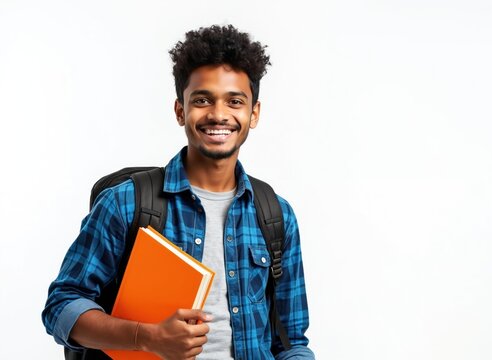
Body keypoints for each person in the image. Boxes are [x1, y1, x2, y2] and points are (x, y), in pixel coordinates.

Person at [42, 25, 314, 360]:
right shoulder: (125, 203)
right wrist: (147, 337)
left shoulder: (275, 214)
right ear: (180, 110)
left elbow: (291, 340)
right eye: (202, 100)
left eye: (235, 101)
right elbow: (61, 307)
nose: (218, 114)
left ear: (253, 113)